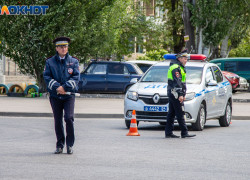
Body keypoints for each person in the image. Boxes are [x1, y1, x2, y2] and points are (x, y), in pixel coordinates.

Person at [43, 37, 80, 154]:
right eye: (61, 47)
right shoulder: (49, 62)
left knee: (69, 118)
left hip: (69, 95)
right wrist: (58, 88)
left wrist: (65, 87)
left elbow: (76, 77)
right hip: (55, 96)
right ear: (56, 48)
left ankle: (69, 145)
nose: (64, 48)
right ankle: (59, 145)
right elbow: (47, 77)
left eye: (66, 46)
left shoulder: (74, 62)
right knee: (57, 120)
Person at [165, 49, 196, 138]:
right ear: (180, 58)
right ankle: (184, 132)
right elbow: (177, 82)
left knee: (171, 113)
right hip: (175, 93)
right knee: (180, 113)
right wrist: (180, 94)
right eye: (185, 59)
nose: (186, 61)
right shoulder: (176, 68)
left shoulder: (178, 67)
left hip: (173, 92)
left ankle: (168, 133)